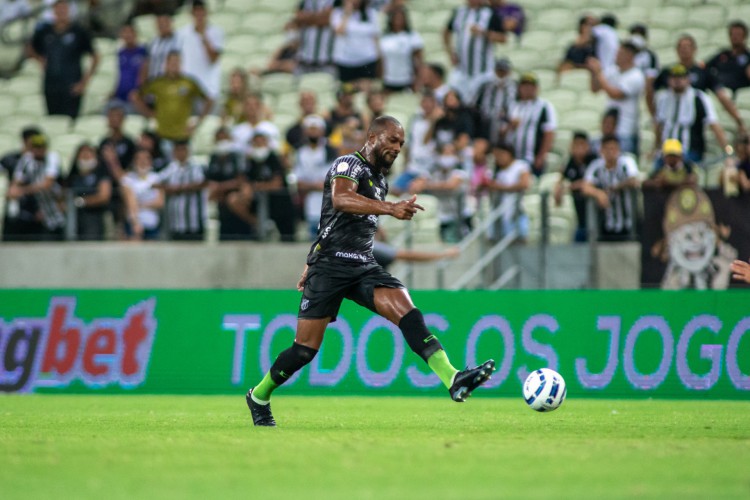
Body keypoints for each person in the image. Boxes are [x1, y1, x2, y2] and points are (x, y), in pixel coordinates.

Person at [245, 115, 496, 427]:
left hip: (363, 264)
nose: (397, 147)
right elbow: (340, 200)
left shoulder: (380, 180)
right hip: (331, 265)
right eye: (392, 140)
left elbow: (334, 223)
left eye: (402, 143)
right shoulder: (348, 164)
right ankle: (258, 396)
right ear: (374, 136)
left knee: (408, 312)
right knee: (304, 351)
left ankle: (453, 378)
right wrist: (389, 208)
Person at [651, 34, 745, 133]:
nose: (684, 50)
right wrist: (653, 114)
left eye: (687, 46)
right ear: (676, 50)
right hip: (671, 121)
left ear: (695, 49)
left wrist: (738, 120)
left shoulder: (703, 72)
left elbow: (721, 96)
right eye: (681, 47)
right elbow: (651, 92)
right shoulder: (667, 72)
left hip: (695, 124)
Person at [28, 0, 100, 119]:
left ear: (68, 10)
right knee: (52, 119)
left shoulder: (78, 31)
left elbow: (95, 56)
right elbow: (31, 48)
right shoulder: (45, 31)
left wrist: (83, 83)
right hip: (51, 84)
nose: (61, 12)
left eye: (64, 9)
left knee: (70, 119)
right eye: (58, 9)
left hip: (72, 84)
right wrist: (40, 60)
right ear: (54, 11)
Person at [131, 51, 214, 147]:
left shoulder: (188, 82)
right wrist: (148, 113)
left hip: (182, 135)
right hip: (162, 133)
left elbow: (209, 100)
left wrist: (198, 122)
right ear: (166, 64)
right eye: (172, 62)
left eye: (177, 62)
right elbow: (135, 96)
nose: (174, 65)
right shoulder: (158, 82)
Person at [654, 64, 731, 164]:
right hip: (666, 153)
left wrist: (727, 150)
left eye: (681, 77)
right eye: (674, 77)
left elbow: (713, 124)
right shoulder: (663, 98)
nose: (677, 81)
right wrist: (655, 148)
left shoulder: (699, 98)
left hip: (689, 151)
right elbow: (659, 126)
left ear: (688, 79)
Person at [587, 40, 645, 156]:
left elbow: (616, 94)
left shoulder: (636, 75)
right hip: (609, 129)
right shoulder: (613, 71)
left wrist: (599, 73)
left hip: (625, 130)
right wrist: (593, 72)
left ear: (629, 55)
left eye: (620, 53)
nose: (616, 56)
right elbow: (595, 88)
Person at [580, 135, 640, 242]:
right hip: (606, 223)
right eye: (607, 149)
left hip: (628, 223)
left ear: (618, 150)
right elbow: (585, 186)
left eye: (613, 148)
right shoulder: (597, 166)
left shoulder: (626, 162)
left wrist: (616, 187)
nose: (610, 152)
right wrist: (599, 193)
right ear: (601, 150)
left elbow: (634, 180)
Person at [443, 0, 505, 101]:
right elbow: (446, 32)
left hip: (482, 71)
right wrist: (450, 52)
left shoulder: (489, 13)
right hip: (461, 70)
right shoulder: (459, 12)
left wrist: (483, 33)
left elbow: (503, 38)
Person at [6, 134, 66, 241]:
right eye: (36, 147)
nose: (39, 150)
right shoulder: (26, 159)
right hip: (38, 205)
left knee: (58, 233)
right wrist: (15, 190)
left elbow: (48, 184)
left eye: (41, 146)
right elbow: (16, 183)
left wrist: (22, 190)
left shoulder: (52, 157)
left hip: (55, 202)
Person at [293, 114, 339, 239]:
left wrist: (310, 185)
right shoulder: (300, 152)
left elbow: (331, 182)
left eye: (316, 129)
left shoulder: (330, 151)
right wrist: (316, 185)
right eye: (310, 129)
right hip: (309, 207)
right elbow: (298, 182)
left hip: (329, 207)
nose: (313, 132)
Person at [507, 72, 556, 177]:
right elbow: (503, 131)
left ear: (536, 88)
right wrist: (510, 126)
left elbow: (549, 133)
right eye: (524, 86)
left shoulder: (544, 107)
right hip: (512, 159)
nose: (527, 89)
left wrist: (541, 155)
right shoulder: (514, 106)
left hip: (531, 158)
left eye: (531, 86)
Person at [157, 139, 207, 241]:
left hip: (193, 221)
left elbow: (201, 183)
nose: (180, 153)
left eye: (183, 150)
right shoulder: (171, 168)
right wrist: (170, 189)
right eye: (177, 150)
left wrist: (178, 188)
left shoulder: (196, 167)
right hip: (175, 222)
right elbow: (157, 182)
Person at [482, 142, 530, 242]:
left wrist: (501, 187)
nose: (498, 158)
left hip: (516, 212)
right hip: (499, 212)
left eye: (500, 155)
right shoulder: (495, 171)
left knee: (518, 242)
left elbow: (524, 184)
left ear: (507, 153)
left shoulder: (520, 166)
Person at [63, 142, 112, 241]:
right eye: (83, 155)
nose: (86, 157)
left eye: (89, 154)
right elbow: (64, 195)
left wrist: (81, 202)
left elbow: (104, 196)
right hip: (74, 218)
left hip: (95, 216)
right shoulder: (73, 176)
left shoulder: (101, 174)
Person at [554, 131, 597, 242]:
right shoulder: (570, 163)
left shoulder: (594, 161)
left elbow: (589, 183)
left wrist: (570, 187)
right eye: (575, 145)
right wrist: (559, 188)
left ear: (587, 146)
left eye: (582, 144)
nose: (579, 148)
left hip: (597, 213)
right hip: (580, 214)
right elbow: (560, 184)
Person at [178, 0, 224, 101]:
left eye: (201, 12)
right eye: (196, 12)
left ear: (206, 13)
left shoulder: (216, 32)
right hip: (188, 88)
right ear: (191, 14)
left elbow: (213, 59)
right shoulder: (182, 34)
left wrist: (203, 36)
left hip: (209, 88)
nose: (199, 15)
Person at [330, 0, 381, 88]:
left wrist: (379, 59)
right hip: (345, 60)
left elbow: (375, 37)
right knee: (348, 90)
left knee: (365, 89)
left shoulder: (371, 13)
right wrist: (347, 13)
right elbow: (339, 32)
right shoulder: (337, 13)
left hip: (367, 59)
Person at [121, 148, 164, 241]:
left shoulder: (156, 178)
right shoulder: (128, 179)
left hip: (152, 223)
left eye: (146, 159)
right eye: (139, 159)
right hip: (134, 225)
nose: (143, 162)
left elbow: (160, 202)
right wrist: (135, 223)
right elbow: (130, 202)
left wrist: (140, 204)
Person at [471, 57, 516, 146]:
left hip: (504, 127)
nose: (501, 75)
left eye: (504, 72)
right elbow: (474, 105)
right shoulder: (485, 86)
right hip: (485, 123)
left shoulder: (514, 88)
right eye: (499, 71)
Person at [379, 7, 423, 93]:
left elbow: (419, 60)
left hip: (407, 79)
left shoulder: (412, 36)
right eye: (396, 18)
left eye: (401, 18)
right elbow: (381, 60)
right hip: (388, 79)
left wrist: (417, 80)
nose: (398, 21)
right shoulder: (385, 37)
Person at [109, 22, 147, 113]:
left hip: (135, 98)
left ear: (135, 34)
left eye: (130, 32)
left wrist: (140, 92)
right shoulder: (120, 54)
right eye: (124, 32)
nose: (127, 35)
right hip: (119, 97)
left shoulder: (143, 52)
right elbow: (118, 75)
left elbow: (146, 75)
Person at [706, 20, 750, 96]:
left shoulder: (748, 57)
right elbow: (704, 66)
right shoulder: (723, 55)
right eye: (733, 34)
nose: (735, 37)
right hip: (720, 91)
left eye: (738, 34)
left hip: (740, 93)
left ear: (745, 36)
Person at [293, 0, 336, 75]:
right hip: (303, 60)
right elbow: (297, 18)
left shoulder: (336, 1)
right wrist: (320, 16)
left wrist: (306, 18)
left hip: (327, 62)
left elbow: (328, 19)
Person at [140, 12, 181, 82]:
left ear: (170, 23)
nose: (162, 26)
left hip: (170, 82)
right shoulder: (153, 42)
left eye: (164, 23)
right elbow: (147, 63)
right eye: (159, 23)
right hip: (153, 81)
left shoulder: (178, 40)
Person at [556, 16, 595, 82]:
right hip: (573, 73)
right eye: (588, 25)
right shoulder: (573, 47)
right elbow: (566, 62)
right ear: (582, 26)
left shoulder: (596, 45)